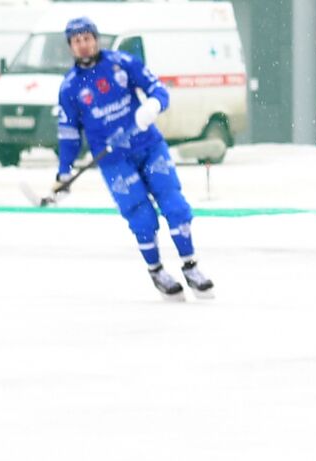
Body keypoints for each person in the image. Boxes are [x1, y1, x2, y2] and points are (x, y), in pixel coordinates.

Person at [55, 17, 213, 300]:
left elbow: (159, 90)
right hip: (114, 160)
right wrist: (64, 171)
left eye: (87, 38)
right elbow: (69, 134)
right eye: (76, 41)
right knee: (141, 217)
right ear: (70, 47)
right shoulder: (69, 88)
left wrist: (153, 105)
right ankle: (157, 271)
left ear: (96, 39)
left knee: (174, 206)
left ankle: (191, 266)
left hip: (149, 146)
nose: (83, 45)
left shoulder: (122, 63)